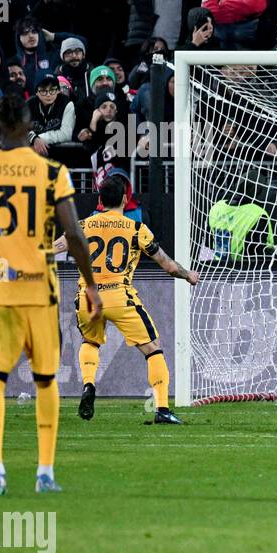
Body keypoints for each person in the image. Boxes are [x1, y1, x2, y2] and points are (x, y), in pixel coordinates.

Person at [0, 86, 101, 494]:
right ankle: (45, 473)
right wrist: (91, 285)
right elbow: (73, 233)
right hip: (40, 289)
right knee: (45, 380)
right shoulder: (52, 173)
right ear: (29, 125)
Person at [53, 175, 198, 424]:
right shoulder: (136, 229)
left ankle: (88, 384)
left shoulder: (82, 225)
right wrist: (188, 275)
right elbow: (168, 265)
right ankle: (162, 409)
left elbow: (51, 248)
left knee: (90, 341)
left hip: (87, 298)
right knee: (152, 348)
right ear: (124, 199)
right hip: (119, 297)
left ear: (100, 199)